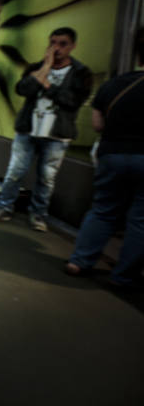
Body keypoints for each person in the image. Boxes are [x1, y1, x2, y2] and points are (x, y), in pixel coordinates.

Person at [0, 27, 93, 232]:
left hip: (58, 134)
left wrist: (48, 85)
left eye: (62, 44)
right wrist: (45, 68)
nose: (56, 48)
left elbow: (73, 101)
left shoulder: (80, 73)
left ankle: (38, 215)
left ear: (73, 46)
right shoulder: (37, 67)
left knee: (47, 177)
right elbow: (22, 89)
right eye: (52, 43)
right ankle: (3, 208)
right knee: (15, 171)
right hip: (28, 130)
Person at [65, 28, 144, 288]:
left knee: (103, 210)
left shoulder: (114, 84)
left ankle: (79, 261)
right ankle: (124, 276)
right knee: (139, 219)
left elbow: (98, 125)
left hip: (113, 154)